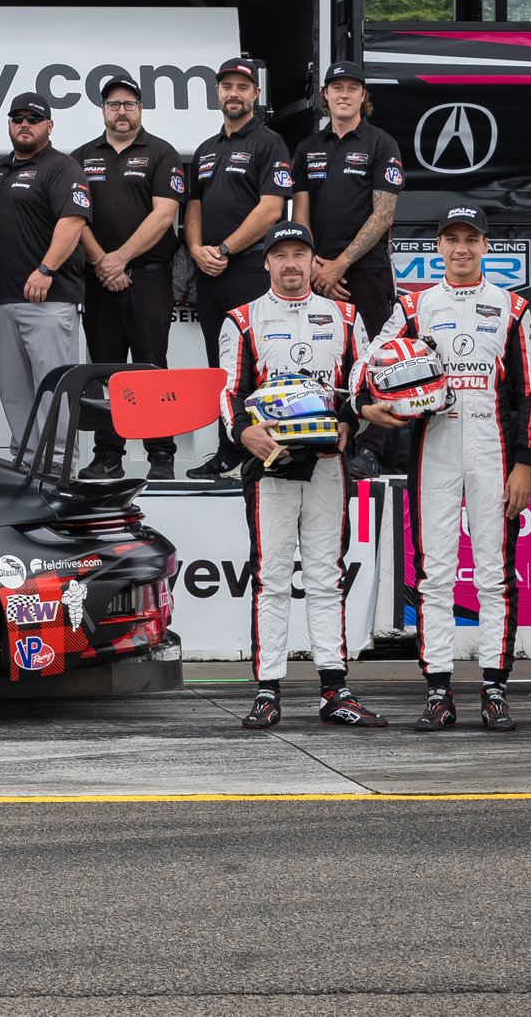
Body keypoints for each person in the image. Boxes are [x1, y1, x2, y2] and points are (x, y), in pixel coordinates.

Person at [359, 206, 531, 732]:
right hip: (433, 441)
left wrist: (526, 461)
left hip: (493, 442)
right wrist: (370, 403)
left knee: (493, 573)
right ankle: (438, 689)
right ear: (437, 247)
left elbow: (530, 390)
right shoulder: (414, 304)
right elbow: (370, 362)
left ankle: (494, 687)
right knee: (435, 573)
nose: (461, 248)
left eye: (471, 239)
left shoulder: (512, 307)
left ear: (486, 246)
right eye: (451, 239)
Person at [219, 222, 385, 730]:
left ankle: (335, 690)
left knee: (325, 576)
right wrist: (243, 433)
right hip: (270, 467)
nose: (291, 264)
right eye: (281, 255)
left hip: (329, 467)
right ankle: (267, 690)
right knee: (270, 578)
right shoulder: (242, 319)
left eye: (301, 255)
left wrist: (348, 423)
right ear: (266, 262)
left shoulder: (345, 314)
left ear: (315, 263)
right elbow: (229, 391)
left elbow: (360, 388)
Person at [72, 75, 188, 479]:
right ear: (103, 110)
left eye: (129, 104)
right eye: (113, 104)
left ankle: (161, 455)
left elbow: (164, 215)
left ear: (140, 109)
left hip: (149, 278)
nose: (121, 111)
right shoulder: (81, 156)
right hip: (98, 279)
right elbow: (74, 219)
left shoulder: (161, 153)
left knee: (151, 367)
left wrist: (120, 259)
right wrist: (104, 262)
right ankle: (107, 456)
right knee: (104, 370)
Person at [0, 93, 88, 452]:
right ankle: (27, 460)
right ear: (8, 124)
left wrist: (46, 268)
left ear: (49, 126)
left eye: (33, 119)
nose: (24, 124)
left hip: (48, 297)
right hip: (1, 299)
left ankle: (58, 463)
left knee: (54, 387)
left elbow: (73, 221)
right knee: (14, 390)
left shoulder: (62, 167)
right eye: (17, 118)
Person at [186, 56, 294, 368]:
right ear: (217, 92)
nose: (234, 93)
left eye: (242, 87)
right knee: (217, 366)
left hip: (249, 269)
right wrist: (196, 250)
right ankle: (225, 420)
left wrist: (223, 250)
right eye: (227, 86)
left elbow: (272, 208)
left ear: (255, 94)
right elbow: (194, 204)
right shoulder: (206, 148)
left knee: (254, 362)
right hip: (208, 273)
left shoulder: (270, 142)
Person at [291, 62, 404, 336]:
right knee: (319, 356)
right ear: (325, 95)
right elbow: (300, 213)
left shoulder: (381, 143)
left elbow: (384, 215)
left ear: (363, 96)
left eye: (353, 88)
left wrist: (340, 264)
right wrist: (315, 266)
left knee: (372, 356)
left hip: (366, 270)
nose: (344, 95)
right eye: (337, 88)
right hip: (317, 273)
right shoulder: (308, 147)